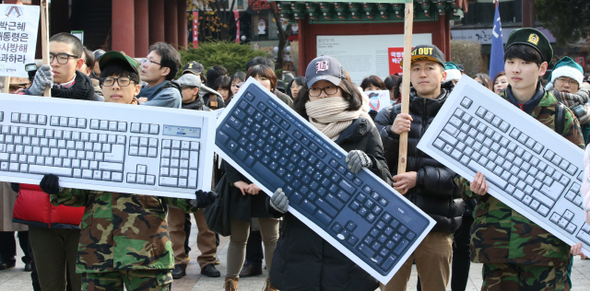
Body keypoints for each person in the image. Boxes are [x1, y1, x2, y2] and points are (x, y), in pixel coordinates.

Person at [459, 28, 584, 291]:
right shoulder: (485, 110)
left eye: (526, 62)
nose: (516, 69)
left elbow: (581, 183)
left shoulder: (562, 117)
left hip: (546, 247)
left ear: (542, 68)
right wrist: (470, 185)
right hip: (497, 243)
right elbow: (459, 171)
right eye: (511, 61)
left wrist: (580, 233)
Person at [266, 55, 391, 291]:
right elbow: (275, 179)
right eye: (316, 89)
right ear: (307, 93)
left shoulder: (364, 127)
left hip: (348, 248)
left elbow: (387, 180)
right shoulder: (294, 126)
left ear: (343, 88)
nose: (322, 95)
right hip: (298, 248)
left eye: (329, 87)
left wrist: (370, 164)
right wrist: (273, 205)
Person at [375, 44, 464, 291]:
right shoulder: (389, 115)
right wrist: (393, 135)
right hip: (392, 220)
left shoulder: (457, 117)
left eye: (429, 67)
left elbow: (462, 177)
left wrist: (420, 177)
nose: (422, 74)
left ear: (443, 74)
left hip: (436, 222)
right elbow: (374, 163)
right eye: (415, 68)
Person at [13, 32, 97, 291]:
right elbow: (13, 133)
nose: (54, 63)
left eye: (62, 57)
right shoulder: (27, 97)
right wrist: (32, 96)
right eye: (49, 57)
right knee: (44, 282)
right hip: (38, 205)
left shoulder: (96, 102)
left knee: (80, 283)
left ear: (79, 63)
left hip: (81, 213)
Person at [223, 64, 284, 291]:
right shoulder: (235, 107)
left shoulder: (279, 109)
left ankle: (273, 284)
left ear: (272, 84)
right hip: (238, 185)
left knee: (271, 238)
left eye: (263, 78)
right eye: (253, 78)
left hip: (267, 185)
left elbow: (281, 151)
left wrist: (263, 182)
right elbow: (226, 146)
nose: (258, 81)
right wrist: (235, 180)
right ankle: (231, 283)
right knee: (238, 238)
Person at [166, 73, 221, 279]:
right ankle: (178, 261)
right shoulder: (170, 111)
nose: (178, 92)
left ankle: (208, 260)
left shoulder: (208, 113)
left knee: (206, 223)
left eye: (183, 88)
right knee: (175, 223)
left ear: (195, 91)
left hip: (203, 175)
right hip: (175, 174)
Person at [545, 56, 590, 144]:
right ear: (553, 82)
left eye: (572, 81)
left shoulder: (586, 114)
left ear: (579, 87)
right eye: (562, 79)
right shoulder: (541, 104)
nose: (566, 85)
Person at [137, 42, 182, 108]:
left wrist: (136, 103)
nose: (144, 64)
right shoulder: (138, 89)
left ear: (165, 71)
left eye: (150, 61)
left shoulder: (170, 95)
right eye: (145, 60)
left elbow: (139, 111)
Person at [0, 182, 32, 271]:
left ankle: (30, 258)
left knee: (25, 223)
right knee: (3, 220)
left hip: (21, 179)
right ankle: (6, 257)